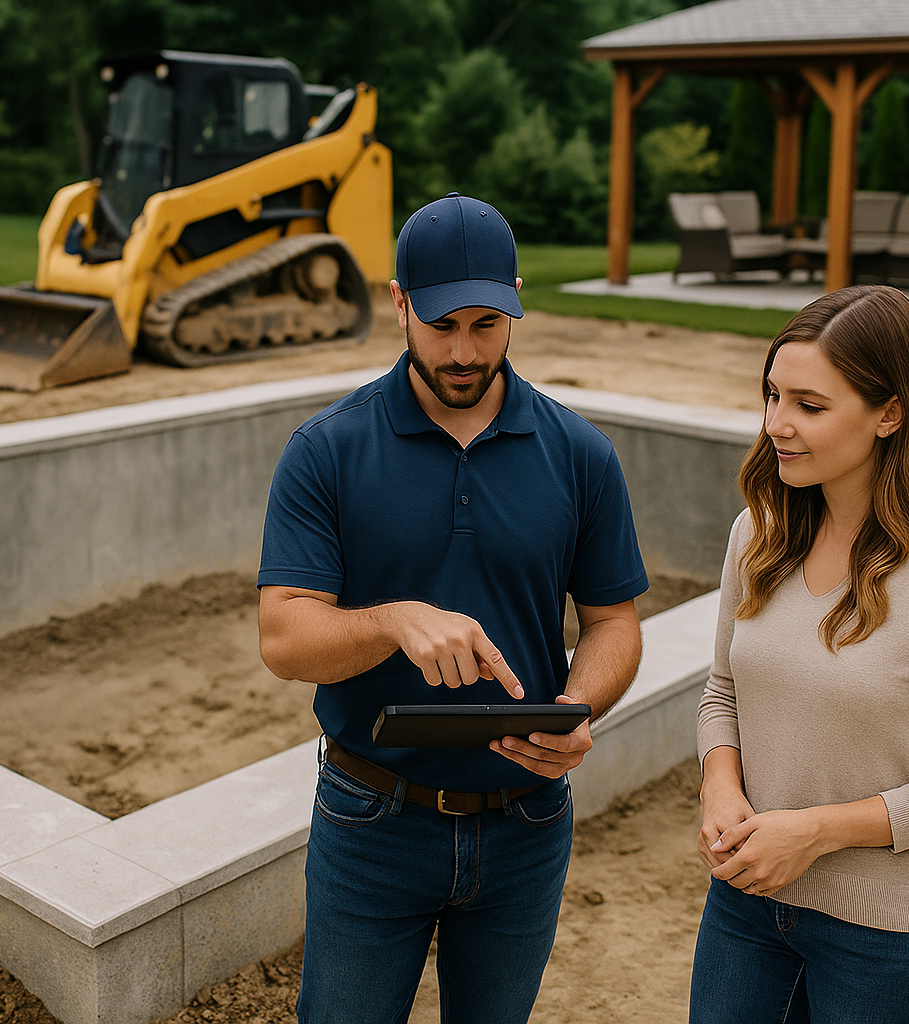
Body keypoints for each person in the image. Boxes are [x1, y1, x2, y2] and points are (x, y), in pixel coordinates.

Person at [256, 193, 649, 1024]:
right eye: (441, 326)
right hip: (372, 821)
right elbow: (285, 639)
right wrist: (393, 618)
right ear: (399, 304)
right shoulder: (327, 450)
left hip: (528, 823)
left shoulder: (580, 454)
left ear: (514, 299)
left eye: (486, 323)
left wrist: (582, 708)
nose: (465, 352)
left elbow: (613, 623)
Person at [690, 285, 909, 1023]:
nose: (777, 424)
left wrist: (813, 832)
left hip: (893, 938)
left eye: (810, 406)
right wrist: (721, 786)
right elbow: (723, 694)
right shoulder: (759, 531)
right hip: (746, 908)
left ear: (890, 413)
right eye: (772, 395)